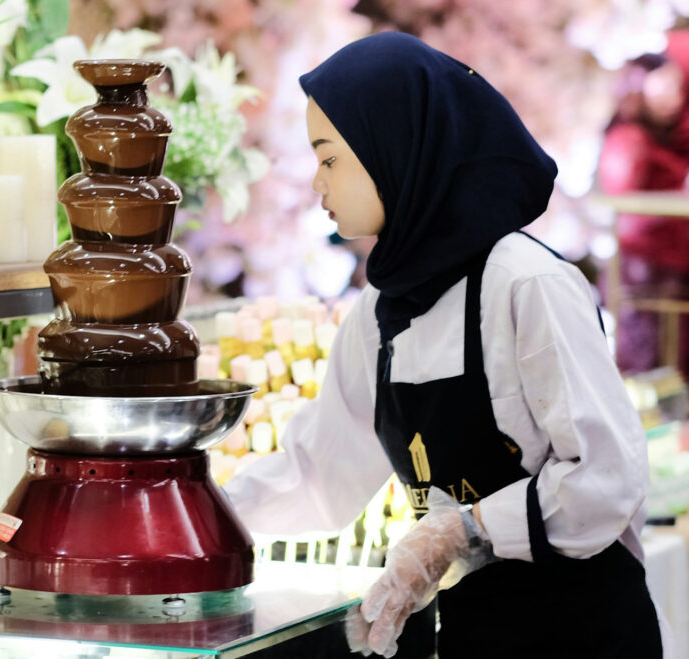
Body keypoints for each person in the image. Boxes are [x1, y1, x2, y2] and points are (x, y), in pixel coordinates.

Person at [224, 32, 668, 658]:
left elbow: (605, 478)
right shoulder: (379, 309)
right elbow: (317, 471)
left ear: (396, 150)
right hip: (477, 631)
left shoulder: (527, 284)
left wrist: (464, 529)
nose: (317, 183)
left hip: (586, 630)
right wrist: (193, 517)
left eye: (330, 159)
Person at [597, 32, 689, 376]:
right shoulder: (629, 139)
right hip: (643, 271)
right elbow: (624, 198)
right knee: (650, 367)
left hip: (666, 268)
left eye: (677, 88)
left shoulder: (663, 137)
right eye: (664, 88)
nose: (673, 99)